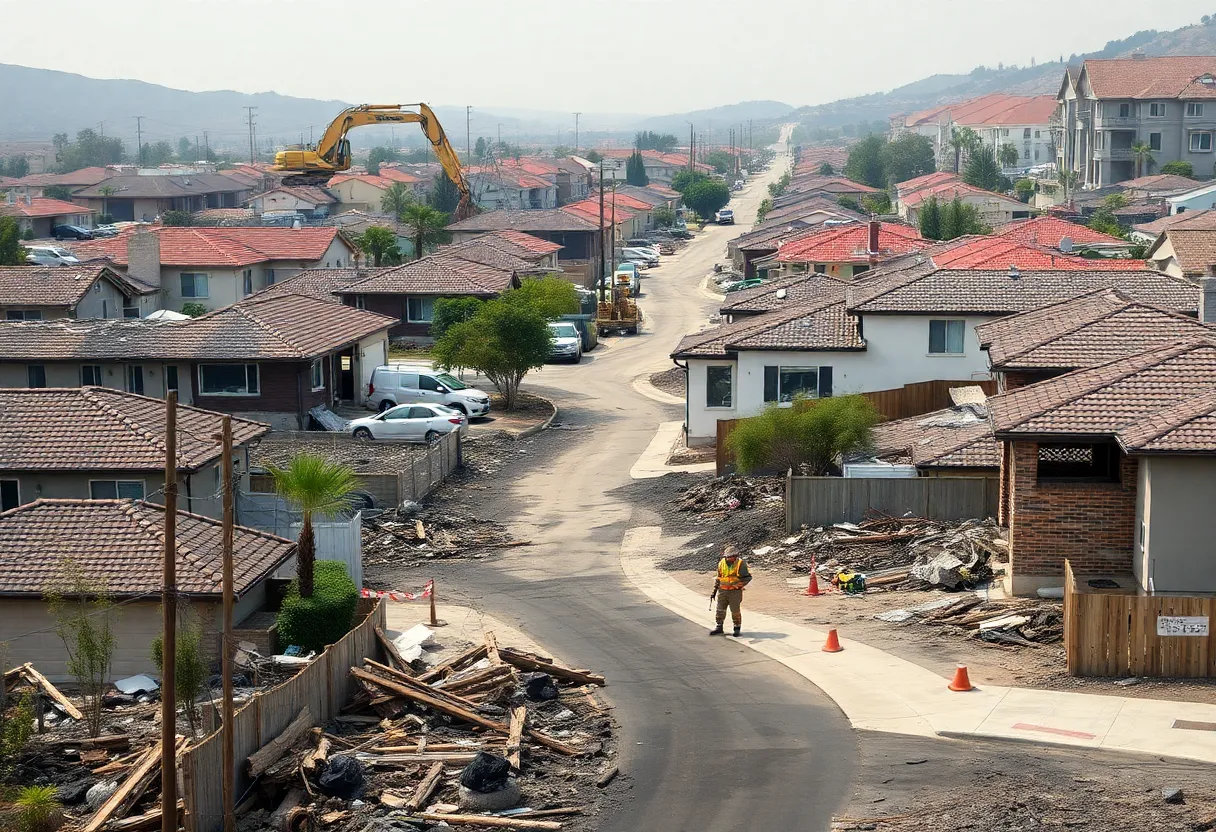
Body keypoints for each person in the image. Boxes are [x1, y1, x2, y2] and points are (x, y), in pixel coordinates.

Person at [710, 544, 752, 637]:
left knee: (735, 610)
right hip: (723, 591)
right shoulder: (721, 563)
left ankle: (737, 627)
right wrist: (714, 591)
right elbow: (719, 577)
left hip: (735, 592)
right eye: (728, 557)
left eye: (732, 556)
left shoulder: (741, 564)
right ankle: (719, 626)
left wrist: (739, 585)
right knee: (720, 609)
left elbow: (748, 578)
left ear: (735, 556)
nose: (730, 558)